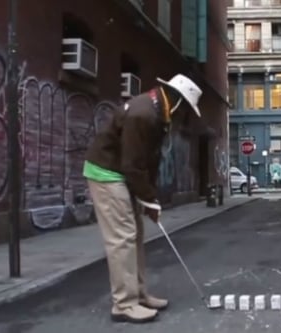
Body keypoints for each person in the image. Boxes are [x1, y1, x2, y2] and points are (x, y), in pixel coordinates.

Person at [83, 74, 202, 323]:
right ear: (178, 101)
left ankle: (138, 294)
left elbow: (150, 161)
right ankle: (124, 304)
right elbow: (133, 165)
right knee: (123, 237)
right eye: (188, 109)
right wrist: (148, 198)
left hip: (122, 172)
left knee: (135, 233)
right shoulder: (143, 115)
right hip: (106, 172)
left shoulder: (158, 112)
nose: (186, 116)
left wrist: (152, 199)